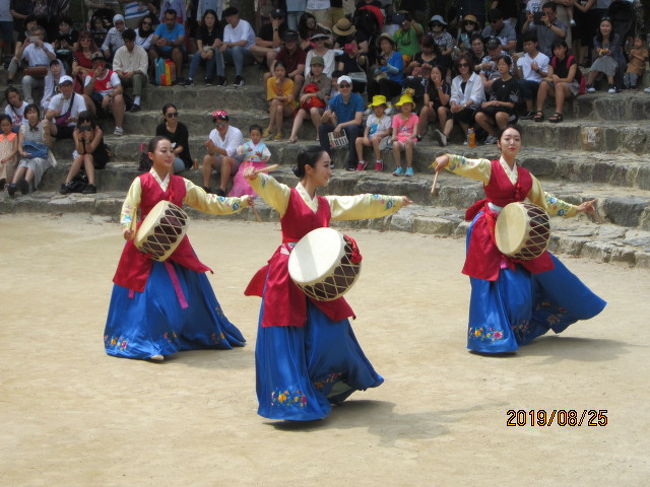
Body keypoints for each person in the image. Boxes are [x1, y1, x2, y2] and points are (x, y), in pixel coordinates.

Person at [243, 145, 412, 421]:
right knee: (287, 336)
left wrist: (393, 201)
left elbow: (359, 203)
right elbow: (270, 187)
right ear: (309, 168)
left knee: (332, 331)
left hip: (317, 275)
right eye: (326, 165)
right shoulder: (287, 197)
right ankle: (292, 399)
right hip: (287, 274)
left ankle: (327, 387)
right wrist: (255, 177)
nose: (330, 170)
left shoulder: (325, 204)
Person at [432, 126, 606, 354]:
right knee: (491, 281)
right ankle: (490, 336)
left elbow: (546, 202)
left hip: (518, 230)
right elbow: (467, 164)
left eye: (516, 139)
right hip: (488, 229)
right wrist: (448, 159)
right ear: (499, 144)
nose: (512, 142)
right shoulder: (488, 168)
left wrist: (576, 209)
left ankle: (520, 328)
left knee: (541, 272)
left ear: (520, 144)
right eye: (507, 138)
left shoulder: (527, 177)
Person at [104, 136, 250, 361]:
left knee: (189, 296)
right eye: (163, 151)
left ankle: (176, 336)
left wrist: (238, 202)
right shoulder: (141, 182)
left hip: (175, 246)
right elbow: (129, 207)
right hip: (145, 246)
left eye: (171, 150)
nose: (169, 154)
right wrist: (127, 227)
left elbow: (208, 201)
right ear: (151, 156)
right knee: (154, 296)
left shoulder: (183, 185)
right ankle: (150, 344)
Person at [6, 104, 54, 197]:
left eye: (34, 112)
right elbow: (20, 144)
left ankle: (26, 183)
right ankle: (13, 184)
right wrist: (22, 152)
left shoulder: (44, 125)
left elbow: (49, 145)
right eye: (29, 112)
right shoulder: (23, 127)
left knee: (34, 161)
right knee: (23, 162)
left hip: (42, 155)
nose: (32, 115)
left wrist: (47, 135)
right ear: (26, 115)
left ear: (37, 113)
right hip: (28, 153)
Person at [318, 75, 365, 171]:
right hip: (341, 130)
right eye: (342, 86)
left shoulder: (358, 99)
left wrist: (340, 125)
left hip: (353, 130)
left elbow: (358, 121)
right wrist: (324, 118)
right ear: (338, 88)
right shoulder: (334, 100)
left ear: (351, 87)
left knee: (353, 128)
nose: (345, 88)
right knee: (322, 128)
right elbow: (324, 120)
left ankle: (352, 162)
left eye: (347, 85)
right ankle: (328, 161)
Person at [59, 110, 109, 194]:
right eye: (83, 121)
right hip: (83, 155)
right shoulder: (76, 132)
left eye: (88, 121)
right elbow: (80, 151)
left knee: (87, 156)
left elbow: (91, 150)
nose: (85, 124)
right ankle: (67, 183)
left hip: (98, 156)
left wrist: (87, 140)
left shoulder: (98, 131)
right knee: (81, 157)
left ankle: (91, 184)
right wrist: (80, 139)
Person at [535, 39, 582, 123]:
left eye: (559, 48)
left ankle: (558, 113)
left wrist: (557, 79)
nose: (557, 51)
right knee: (543, 84)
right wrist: (553, 77)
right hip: (556, 84)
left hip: (571, 86)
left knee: (559, 85)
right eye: (555, 49)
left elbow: (569, 79)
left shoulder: (571, 60)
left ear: (565, 48)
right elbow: (549, 76)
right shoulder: (552, 60)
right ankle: (539, 111)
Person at [475, 55, 519, 142]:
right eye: (499, 65)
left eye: (503, 64)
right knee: (479, 116)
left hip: (509, 112)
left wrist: (496, 102)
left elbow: (511, 104)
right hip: (496, 110)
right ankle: (494, 135)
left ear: (509, 66)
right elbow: (493, 98)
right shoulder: (496, 82)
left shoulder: (514, 83)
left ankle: (505, 137)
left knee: (499, 115)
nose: (501, 67)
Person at [288, 55, 331, 143]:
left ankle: (320, 133)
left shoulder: (327, 79)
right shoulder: (308, 79)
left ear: (323, 68)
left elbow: (324, 93)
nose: (316, 68)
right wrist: (306, 97)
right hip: (308, 106)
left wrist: (309, 95)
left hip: (322, 109)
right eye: (314, 66)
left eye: (319, 66)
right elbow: (301, 94)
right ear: (311, 67)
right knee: (300, 111)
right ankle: (293, 135)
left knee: (313, 110)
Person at [201, 110, 244, 196]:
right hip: (222, 161)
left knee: (226, 159)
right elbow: (211, 153)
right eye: (217, 125)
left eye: (222, 124)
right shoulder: (213, 132)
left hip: (237, 163)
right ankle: (206, 187)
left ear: (227, 122)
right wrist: (209, 147)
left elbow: (229, 153)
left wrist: (214, 148)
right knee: (207, 158)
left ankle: (222, 189)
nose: (220, 127)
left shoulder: (236, 133)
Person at [83, 52, 126, 136]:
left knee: (118, 97)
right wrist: (94, 77)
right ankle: (91, 125)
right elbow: (86, 93)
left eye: (100, 62)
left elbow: (119, 88)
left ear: (104, 63)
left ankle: (119, 127)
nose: (98, 65)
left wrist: (109, 96)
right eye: (95, 63)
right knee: (84, 97)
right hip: (97, 105)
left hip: (110, 102)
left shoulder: (111, 74)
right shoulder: (90, 76)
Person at [450, 54, 485, 142]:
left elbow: (476, 98)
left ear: (469, 66)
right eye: (460, 65)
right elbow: (454, 95)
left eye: (465, 65)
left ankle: (470, 139)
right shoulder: (455, 80)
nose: (462, 67)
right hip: (462, 107)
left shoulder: (477, 78)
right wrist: (453, 104)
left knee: (461, 113)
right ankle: (446, 136)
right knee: (453, 112)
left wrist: (463, 106)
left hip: (475, 107)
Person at [229, 124, 271, 197]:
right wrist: (244, 149)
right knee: (241, 178)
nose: (255, 137)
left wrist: (261, 155)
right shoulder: (247, 144)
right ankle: (242, 194)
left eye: (257, 135)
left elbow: (267, 157)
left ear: (261, 136)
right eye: (253, 135)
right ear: (250, 135)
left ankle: (253, 194)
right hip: (246, 165)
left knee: (257, 178)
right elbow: (238, 151)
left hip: (259, 166)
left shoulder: (263, 146)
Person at [184, 9, 224, 86]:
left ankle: (208, 78)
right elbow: (199, 42)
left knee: (211, 54)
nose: (209, 20)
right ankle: (190, 78)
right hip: (203, 51)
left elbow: (217, 41)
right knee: (197, 54)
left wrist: (210, 50)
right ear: (204, 19)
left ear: (215, 19)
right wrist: (202, 52)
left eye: (212, 18)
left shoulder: (219, 28)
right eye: (207, 18)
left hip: (215, 51)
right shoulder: (200, 28)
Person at [112, 28, 148, 112]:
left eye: (130, 41)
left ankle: (136, 102)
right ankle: (122, 101)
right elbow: (115, 67)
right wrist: (119, 72)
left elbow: (143, 69)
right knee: (115, 76)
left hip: (139, 77)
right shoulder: (119, 51)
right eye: (126, 42)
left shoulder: (142, 51)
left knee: (137, 76)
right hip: (125, 77)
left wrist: (133, 72)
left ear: (134, 40)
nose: (128, 44)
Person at [585, 17, 624, 94]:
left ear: (611, 28)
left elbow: (612, 51)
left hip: (616, 60)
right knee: (604, 58)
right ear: (599, 27)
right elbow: (597, 51)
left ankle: (589, 84)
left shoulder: (616, 37)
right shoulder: (596, 38)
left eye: (607, 26)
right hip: (601, 60)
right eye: (602, 26)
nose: (605, 28)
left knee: (606, 58)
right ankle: (611, 85)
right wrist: (599, 51)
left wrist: (605, 52)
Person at [516, 31, 549, 119]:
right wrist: (516, 64)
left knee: (523, 83)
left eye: (529, 44)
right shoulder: (522, 58)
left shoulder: (544, 58)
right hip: (525, 83)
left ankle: (530, 110)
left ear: (535, 44)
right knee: (517, 83)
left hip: (538, 84)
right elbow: (520, 76)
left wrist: (537, 70)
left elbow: (547, 75)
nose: (527, 47)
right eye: (525, 45)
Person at [20, 26, 56, 105]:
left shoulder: (48, 45)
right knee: (26, 79)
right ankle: (29, 102)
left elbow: (54, 58)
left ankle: (47, 101)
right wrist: (23, 46)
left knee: (49, 76)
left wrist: (43, 47)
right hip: (34, 75)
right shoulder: (29, 47)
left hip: (47, 75)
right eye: (35, 35)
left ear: (42, 36)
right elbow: (18, 58)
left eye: (39, 35)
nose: (37, 37)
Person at [221, 6, 256, 87]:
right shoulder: (227, 27)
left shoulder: (245, 24)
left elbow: (243, 43)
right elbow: (225, 43)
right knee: (220, 49)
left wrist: (228, 44)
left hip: (248, 55)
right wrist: (223, 45)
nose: (229, 19)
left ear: (236, 15)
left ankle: (239, 77)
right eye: (227, 17)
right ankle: (221, 77)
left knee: (236, 48)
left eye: (231, 16)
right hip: (234, 55)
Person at [355, 94, 391, 171]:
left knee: (375, 139)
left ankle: (379, 161)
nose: (378, 109)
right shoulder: (371, 117)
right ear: (373, 108)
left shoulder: (387, 118)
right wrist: (365, 137)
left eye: (380, 107)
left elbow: (388, 132)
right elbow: (367, 128)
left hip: (382, 139)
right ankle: (361, 161)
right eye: (376, 107)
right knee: (358, 140)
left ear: (384, 107)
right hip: (371, 138)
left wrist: (380, 134)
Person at [44, 75, 87, 140]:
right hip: (58, 127)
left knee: (84, 125)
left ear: (72, 86)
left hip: (74, 127)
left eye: (68, 85)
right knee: (45, 122)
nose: (66, 88)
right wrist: (54, 113)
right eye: (63, 86)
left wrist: (75, 119)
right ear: (60, 88)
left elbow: (83, 116)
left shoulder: (79, 98)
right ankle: (48, 143)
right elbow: (47, 116)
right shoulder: (55, 98)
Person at [418, 64, 451, 146]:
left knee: (441, 109)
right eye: (433, 73)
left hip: (444, 110)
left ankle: (444, 136)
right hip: (433, 111)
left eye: (437, 73)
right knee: (425, 108)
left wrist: (439, 87)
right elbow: (426, 100)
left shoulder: (446, 86)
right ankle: (418, 134)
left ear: (441, 75)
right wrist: (428, 103)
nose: (434, 75)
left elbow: (444, 102)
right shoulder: (428, 84)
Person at [267, 30, 306, 99]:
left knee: (298, 77)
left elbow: (300, 70)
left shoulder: (301, 53)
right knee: (267, 75)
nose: (289, 43)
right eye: (287, 41)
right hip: (281, 75)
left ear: (296, 42)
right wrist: (275, 76)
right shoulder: (283, 51)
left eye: (292, 41)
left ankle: (292, 99)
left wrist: (286, 76)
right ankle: (270, 99)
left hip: (292, 76)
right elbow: (273, 64)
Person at [264, 62, 296, 141]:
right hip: (277, 106)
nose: (279, 73)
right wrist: (281, 97)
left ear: (285, 72)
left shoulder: (290, 82)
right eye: (277, 70)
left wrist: (278, 86)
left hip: (289, 107)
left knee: (276, 102)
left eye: (282, 70)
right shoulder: (270, 81)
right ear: (274, 72)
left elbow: (288, 99)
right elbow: (271, 97)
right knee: (278, 107)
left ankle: (270, 127)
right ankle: (279, 133)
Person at [151, 8, 185, 84]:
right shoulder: (161, 26)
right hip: (162, 50)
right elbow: (153, 40)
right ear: (164, 19)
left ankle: (178, 76)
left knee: (177, 50)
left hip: (173, 50)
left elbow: (180, 40)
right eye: (167, 19)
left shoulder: (180, 27)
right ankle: (156, 75)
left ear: (175, 19)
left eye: (171, 19)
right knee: (152, 50)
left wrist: (168, 43)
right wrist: (158, 42)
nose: (169, 22)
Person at [156, 103, 193, 173]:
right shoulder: (160, 128)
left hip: (181, 158)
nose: (173, 117)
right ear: (165, 116)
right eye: (170, 115)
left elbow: (181, 147)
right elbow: (159, 145)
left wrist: (170, 153)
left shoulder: (182, 128)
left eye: (175, 114)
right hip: (165, 156)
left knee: (169, 162)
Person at [367, 33, 404, 101]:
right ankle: (372, 104)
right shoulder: (381, 57)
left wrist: (387, 65)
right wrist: (377, 69)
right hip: (383, 83)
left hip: (396, 85)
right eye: (382, 44)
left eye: (386, 43)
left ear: (391, 45)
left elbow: (396, 71)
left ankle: (386, 103)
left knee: (383, 81)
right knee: (371, 82)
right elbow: (377, 72)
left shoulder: (397, 55)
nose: (384, 46)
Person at [391, 92, 418, 177]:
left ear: (411, 106)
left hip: (411, 140)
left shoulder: (415, 117)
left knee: (408, 142)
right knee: (395, 144)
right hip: (400, 140)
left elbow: (415, 133)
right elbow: (394, 133)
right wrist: (393, 138)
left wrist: (409, 138)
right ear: (400, 107)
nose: (406, 106)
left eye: (408, 104)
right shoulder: (396, 117)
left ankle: (409, 168)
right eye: (404, 105)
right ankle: (398, 167)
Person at [0, 114, 18, 190]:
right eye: (3, 125)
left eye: (7, 125)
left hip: (10, 157)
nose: (5, 127)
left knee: (6, 164)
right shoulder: (0, 136)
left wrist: (7, 157)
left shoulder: (14, 136)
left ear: (11, 125)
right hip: (1, 156)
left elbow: (15, 150)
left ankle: (5, 183)